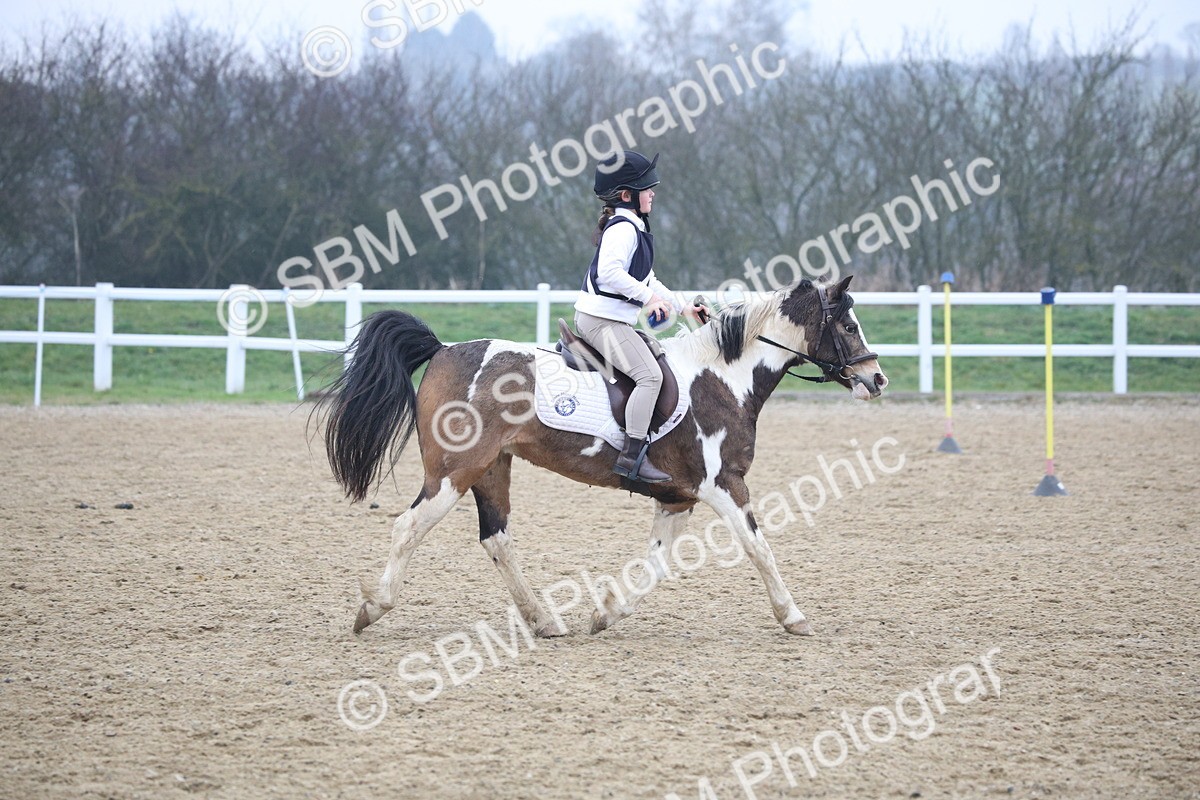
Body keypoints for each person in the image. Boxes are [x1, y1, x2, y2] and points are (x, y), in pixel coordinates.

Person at [574, 150, 709, 484]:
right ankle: (630, 457)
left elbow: (649, 280)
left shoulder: (635, 226)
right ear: (626, 195)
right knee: (650, 377)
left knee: (659, 361)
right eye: (647, 188)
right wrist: (649, 300)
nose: (653, 193)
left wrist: (683, 308)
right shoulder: (623, 229)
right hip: (600, 323)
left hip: (612, 321)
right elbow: (608, 274)